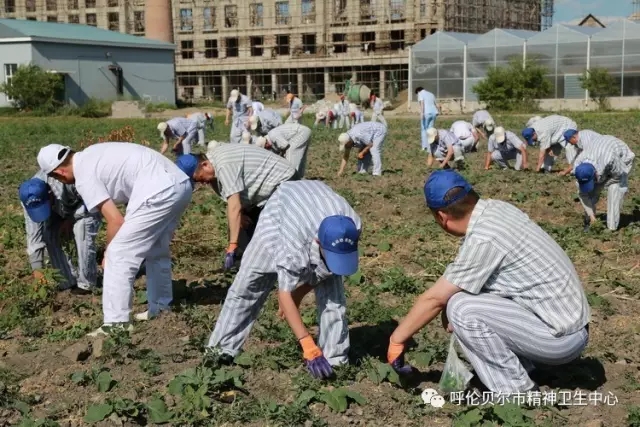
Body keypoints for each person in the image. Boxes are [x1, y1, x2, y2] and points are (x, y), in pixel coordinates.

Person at [387, 170, 590, 395]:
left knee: (461, 308)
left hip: (560, 338)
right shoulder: (496, 210)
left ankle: (517, 392)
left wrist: (397, 339)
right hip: (565, 322)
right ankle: (524, 368)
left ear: (442, 217)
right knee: (456, 300)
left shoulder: (485, 238)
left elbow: (434, 298)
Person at [205, 180, 362, 379]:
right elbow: (284, 294)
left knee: (333, 296)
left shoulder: (353, 226)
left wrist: (300, 292)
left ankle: (335, 361)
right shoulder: (294, 247)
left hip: (313, 202)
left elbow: (328, 271)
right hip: (280, 212)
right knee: (249, 284)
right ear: (317, 242)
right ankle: (221, 351)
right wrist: (307, 343)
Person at [37, 142, 192, 336]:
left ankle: (116, 324)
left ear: (59, 173)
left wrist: (107, 253)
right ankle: (160, 308)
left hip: (157, 190)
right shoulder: (92, 154)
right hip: (180, 183)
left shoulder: (83, 175)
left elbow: (115, 220)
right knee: (156, 250)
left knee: (118, 255)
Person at [174, 143, 298, 270]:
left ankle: (281, 265)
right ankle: (240, 265)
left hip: (283, 181)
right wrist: (242, 213)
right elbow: (234, 203)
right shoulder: (213, 168)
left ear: (204, 165)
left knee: (269, 228)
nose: (202, 183)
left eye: (199, 178)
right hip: (261, 186)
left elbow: (234, 207)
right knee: (240, 222)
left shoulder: (224, 166)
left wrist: (232, 245)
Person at [19, 173, 101, 295]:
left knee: (81, 228)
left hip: (83, 208)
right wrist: (38, 273)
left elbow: (91, 200)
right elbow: (34, 236)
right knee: (49, 234)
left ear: (49, 194)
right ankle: (67, 282)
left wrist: (70, 219)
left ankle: (87, 283)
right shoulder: (28, 199)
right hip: (57, 210)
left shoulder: (65, 181)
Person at [573, 139, 635, 231]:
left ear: (595, 173)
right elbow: (583, 194)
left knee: (614, 189)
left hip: (622, 159)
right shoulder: (577, 166)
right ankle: (590, 218)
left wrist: (600, 187)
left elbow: (618, 175)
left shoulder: (609, 159)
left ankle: (612, 228)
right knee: (589, 193)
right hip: (600, 160)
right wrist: (592, 216)